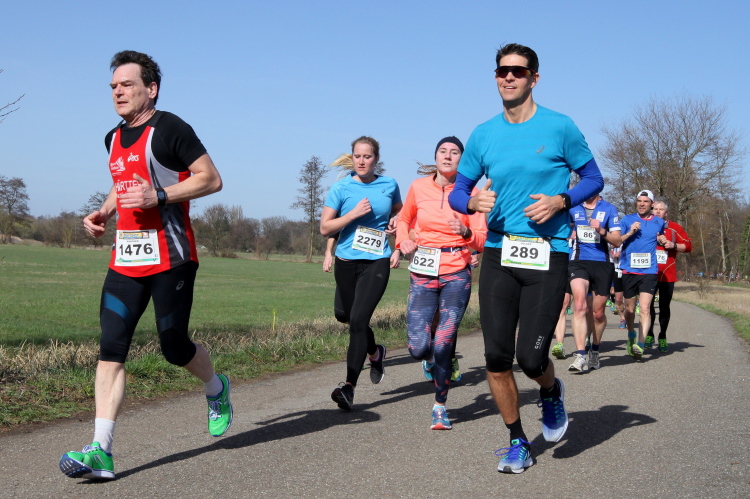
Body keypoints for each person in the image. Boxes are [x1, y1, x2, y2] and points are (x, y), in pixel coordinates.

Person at [59, 51, 229, 481]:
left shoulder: (170, 128)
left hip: (171, 257)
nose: (118, 92)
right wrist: (104, 212)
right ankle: (101, 449)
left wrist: (161, 195)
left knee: (174, 348)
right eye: (113, 86)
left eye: (127, 84)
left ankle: (216, 388)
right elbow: (122, 185)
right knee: (111, 348)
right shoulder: (112, 138)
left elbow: (211, 179)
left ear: (151, 89)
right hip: (126, 258)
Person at [448, 43, 603, 473]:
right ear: (496, 77)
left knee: (531, 359)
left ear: (534, 78)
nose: (509, 77)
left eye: (518, 71)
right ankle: (517, 440)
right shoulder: (483, 133)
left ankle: (550, 391)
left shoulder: (560, 126)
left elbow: (593, 178)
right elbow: (459, 191)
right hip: (500, 251)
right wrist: (470, 202)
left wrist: (561, 200)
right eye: (502, 70)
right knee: (496, 358)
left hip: (547, 254)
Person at [395, 136, 487, 430]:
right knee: (418, 348)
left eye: (454, 152)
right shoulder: (418, 187)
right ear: (435, 157)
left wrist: (465, 232)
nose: (448, 156)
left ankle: (440, 406)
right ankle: (430, 360)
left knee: (445, 342)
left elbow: (481, 239)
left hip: (456, 271)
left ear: (462, 159)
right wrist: (403, 240)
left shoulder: (472, 193)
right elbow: (403, 220)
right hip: (423, 270)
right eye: (443, 151)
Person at [320, 136, 402, 410]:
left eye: (367, 156)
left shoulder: (389, 185)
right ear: (352, 158)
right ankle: (375, 352)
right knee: (345, 315)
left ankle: (349, 387)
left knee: (358, 320)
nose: (362, 161)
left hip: (377, 261)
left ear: (376, 158)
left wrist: (396, 223)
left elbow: (401, 213)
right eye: (357, 156)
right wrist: (353, 214)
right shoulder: (341, 187)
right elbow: (325, 227)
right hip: (346, 261)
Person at [567, 195, 622, 372]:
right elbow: (559, 227)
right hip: (578, 261)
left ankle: (595, 350)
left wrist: (602, 231)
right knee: (579, 305)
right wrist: (569, 233)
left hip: (602, 263)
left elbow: (617, 240)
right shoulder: (573, 207)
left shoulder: (609, 208)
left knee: (598, 313)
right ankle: (580, 355)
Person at [619, 190, 665, 360]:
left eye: (645, 201)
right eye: (639, 201)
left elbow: (660, 236)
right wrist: (630, 232)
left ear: (652, 204)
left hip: (649, 270)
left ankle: (640, 344)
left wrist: (662, 240)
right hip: (629, 270)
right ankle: (631, 333)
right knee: (630, 310)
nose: (642, 204)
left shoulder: (659, 222)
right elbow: (617, 241)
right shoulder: (627, 220)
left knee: (645, 308)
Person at [649, 197, 692, 351]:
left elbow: (688, 246)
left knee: (664, 306)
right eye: (655, 209)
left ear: (666, 213)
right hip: (649, 272)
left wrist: (673, 245)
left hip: (668, 273)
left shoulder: (674, 228)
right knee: (647, 305)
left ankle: (662, 336)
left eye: (661, 210)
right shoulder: (645, 225)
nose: (657, 212)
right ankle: (649, 334)